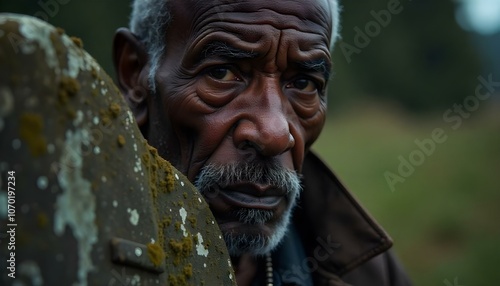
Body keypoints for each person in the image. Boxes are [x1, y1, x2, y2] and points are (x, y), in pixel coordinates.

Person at [113, 0, 413, 285]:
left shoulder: (369, 275)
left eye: (303, 83)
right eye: (222, 73)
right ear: (135, 73)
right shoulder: (76, 237)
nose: (274, 135)